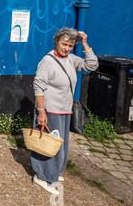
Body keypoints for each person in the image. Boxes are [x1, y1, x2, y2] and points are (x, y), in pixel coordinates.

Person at [31, 27, 99, 194]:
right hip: (50, 110)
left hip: (64, 110)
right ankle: (42, 176)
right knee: (48, 145)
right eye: (64, 44)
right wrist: (41, 111)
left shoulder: (70, 59)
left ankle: (53, 171)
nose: (66, 48)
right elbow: (38, 86)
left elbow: (91, 65)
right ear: (57, 42)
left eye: (70, 45)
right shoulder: (48, 61)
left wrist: (85, 44)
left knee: (60, 145)